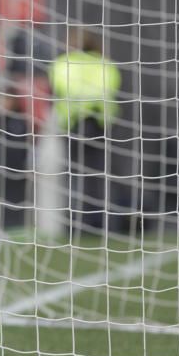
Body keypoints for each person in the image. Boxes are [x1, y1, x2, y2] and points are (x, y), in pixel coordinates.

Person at [48, 27, 121, 234]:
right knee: (99, 176)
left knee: (76, 175)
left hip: (74, 125)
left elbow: (59, 89)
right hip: (100, 124)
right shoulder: (104, 64)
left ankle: (78, 224)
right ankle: (104, 224)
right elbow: (110, 89)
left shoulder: (62, 64)